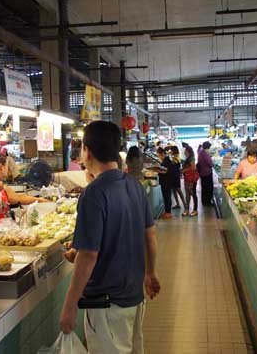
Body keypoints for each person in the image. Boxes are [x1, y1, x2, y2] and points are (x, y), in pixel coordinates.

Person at [59, 121, 160, 353]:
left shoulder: (94, 194)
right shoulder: (134, 186)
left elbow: (88, 256)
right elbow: (150, 236)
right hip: (134, 298)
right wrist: (150, 273)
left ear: (88, 151)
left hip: (107, 304)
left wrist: (70, 305)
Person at [156, 147, 173, 219]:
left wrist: (158, 170)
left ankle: (168, 213)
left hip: (166, 181)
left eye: (159, 155)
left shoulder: (166, 161)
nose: (158, 157)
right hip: (166, 181)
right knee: (166, 196)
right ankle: (167, 212)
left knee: (167, 197)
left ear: (162, 154)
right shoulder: (166, 160)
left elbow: (165, 171)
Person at [182, 145, 199, 217]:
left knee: (193, 194)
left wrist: (184, 170)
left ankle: (195, 210)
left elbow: (193, 168)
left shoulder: (192, 158)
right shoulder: (188, 158)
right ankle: (187, 209)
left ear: (188, 151)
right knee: (187, 194)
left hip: (191, 179)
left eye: (185, 150)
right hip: (187, 178)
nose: (184, 152)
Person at [167, 146, 186, 210]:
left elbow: (174, 164)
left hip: (175, 175)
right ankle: (178, 204)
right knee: (174, 190)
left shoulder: (176, 156)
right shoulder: (173, 156)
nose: (170, 151)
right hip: (173, 175)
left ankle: (184, 204)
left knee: (178, 189)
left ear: (174, 150)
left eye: (171, 150)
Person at [198, 141, 215, 207]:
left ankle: (204, 201)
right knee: (209, 188)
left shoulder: (201, 152)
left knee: (204, 188)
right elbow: (210, 163)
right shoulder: (205, 154)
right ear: (208, 147)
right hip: (206, 173)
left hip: (202, 173)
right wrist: (213, 164)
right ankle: (208, 202)